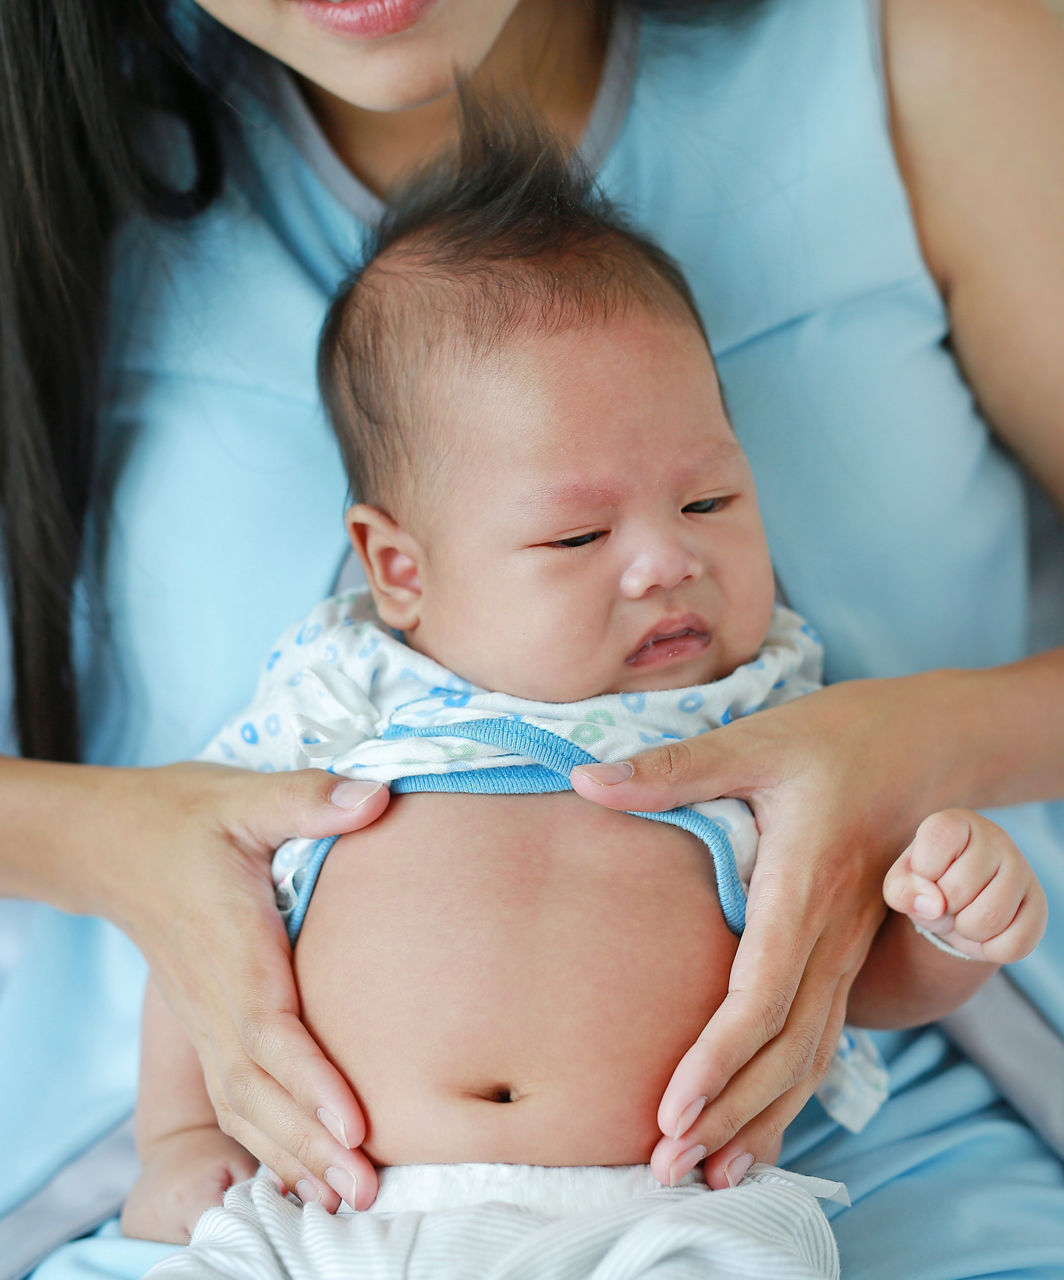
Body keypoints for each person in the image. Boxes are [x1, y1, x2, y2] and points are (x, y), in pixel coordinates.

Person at [0, 1, 1062, 1276]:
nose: (664, 560)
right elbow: (217, 878)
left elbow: (859, 969)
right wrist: (127, 889)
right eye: (570, 541)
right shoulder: (338, 688)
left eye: (712, 502)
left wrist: (931, 817)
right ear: (394, 565)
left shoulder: (747, 696)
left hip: (685, 1197)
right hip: (312, 1194)